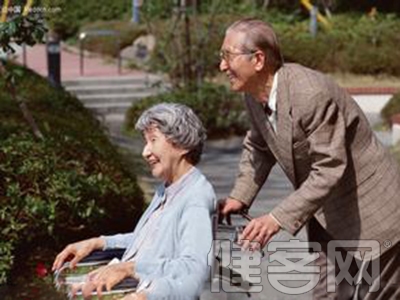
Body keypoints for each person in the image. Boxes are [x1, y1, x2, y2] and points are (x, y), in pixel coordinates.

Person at [218, 18, 400, 299]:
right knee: (326, 294)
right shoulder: (254, 95)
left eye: (228, 56)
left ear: (258, 60)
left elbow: (328, 169)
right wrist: (240, 197)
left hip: (374, 215)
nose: (222, 66)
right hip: (327, 216)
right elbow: (258, 145)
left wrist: (276, 218)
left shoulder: (310, 94)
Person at [52, 103, 216, 300]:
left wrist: (134, 279)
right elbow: (148, 241)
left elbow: (194, 274)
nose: (145, 152)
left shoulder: (195, 198)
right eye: (145, 142)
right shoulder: (169, 188)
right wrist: (99, 242)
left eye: (153, 140)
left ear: (182, 145)